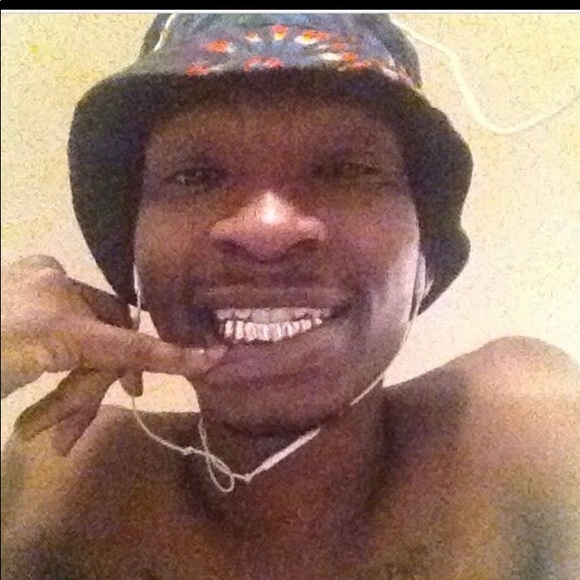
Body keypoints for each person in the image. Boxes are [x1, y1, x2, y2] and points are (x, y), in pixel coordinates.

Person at [1, 14, 579, 580]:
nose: (266, 230)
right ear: (131, 262)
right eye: (195, 176)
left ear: (428, 262)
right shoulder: (61, 476)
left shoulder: (524, 434)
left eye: (346, 170)